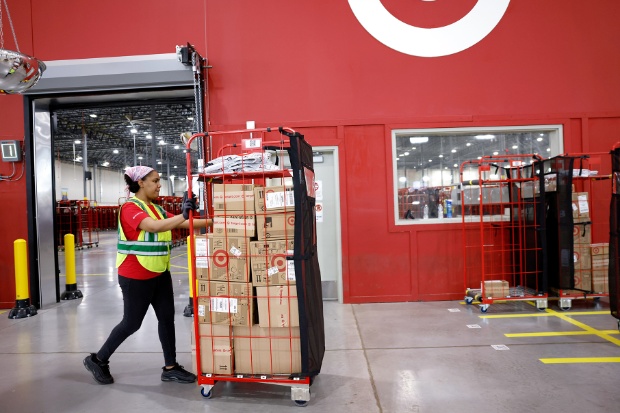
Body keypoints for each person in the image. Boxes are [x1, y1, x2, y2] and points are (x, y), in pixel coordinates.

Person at [84, 165, 211, 385]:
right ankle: (98, 359)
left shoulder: (156, 208)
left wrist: (214, 221)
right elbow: (153, 228)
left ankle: (170, 367)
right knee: (131, 323)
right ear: (141, 183)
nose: (159, 184)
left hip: (159, 272)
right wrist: (182, 214)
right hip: (135, 275)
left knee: (166, 318)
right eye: (155, 180)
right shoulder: (130, 208)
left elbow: (183, 222)